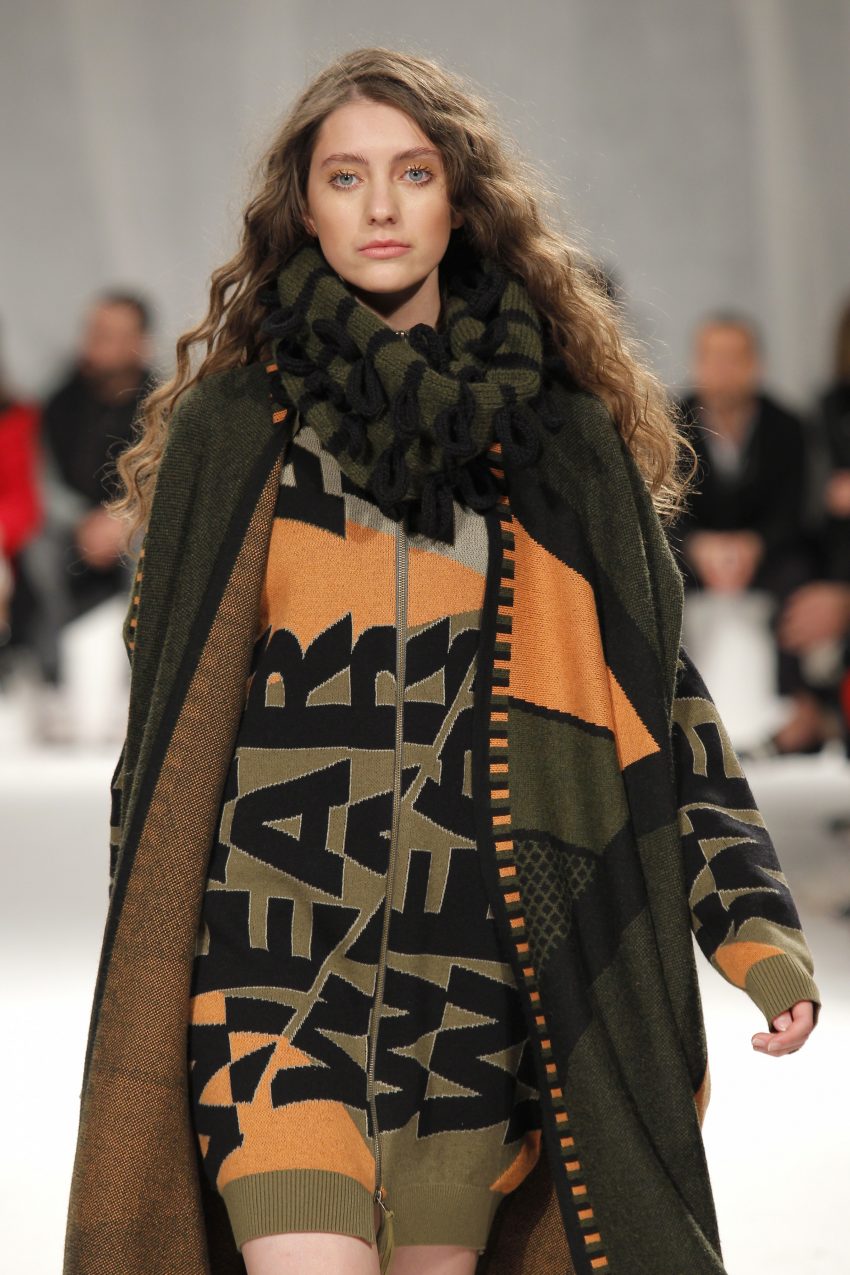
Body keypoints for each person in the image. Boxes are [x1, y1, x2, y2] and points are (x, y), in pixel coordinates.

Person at [63, 48, 822, 1275]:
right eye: (344, 176)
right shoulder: (235, 430)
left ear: (459, 201)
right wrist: (149, 974)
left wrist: (750, 927)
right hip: (270, 969)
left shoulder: (556, 447)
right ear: (302, 207)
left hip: (473, 996)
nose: (378, 205)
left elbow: (662, 707)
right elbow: (162, 743)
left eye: (412, 173)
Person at [672, 314, 829, 754]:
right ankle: (672, 705)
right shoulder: (669, 421)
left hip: (766, 555)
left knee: (800, 579)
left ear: (755, 364)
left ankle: (797, 704)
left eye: (734, 357)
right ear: (697, 363)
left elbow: (797, 507)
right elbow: (660, 504)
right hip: (691, 552)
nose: (723, 369)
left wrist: (754, 545)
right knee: (655, 580)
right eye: (713, 357)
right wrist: (700, 545)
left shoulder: (787, 425)